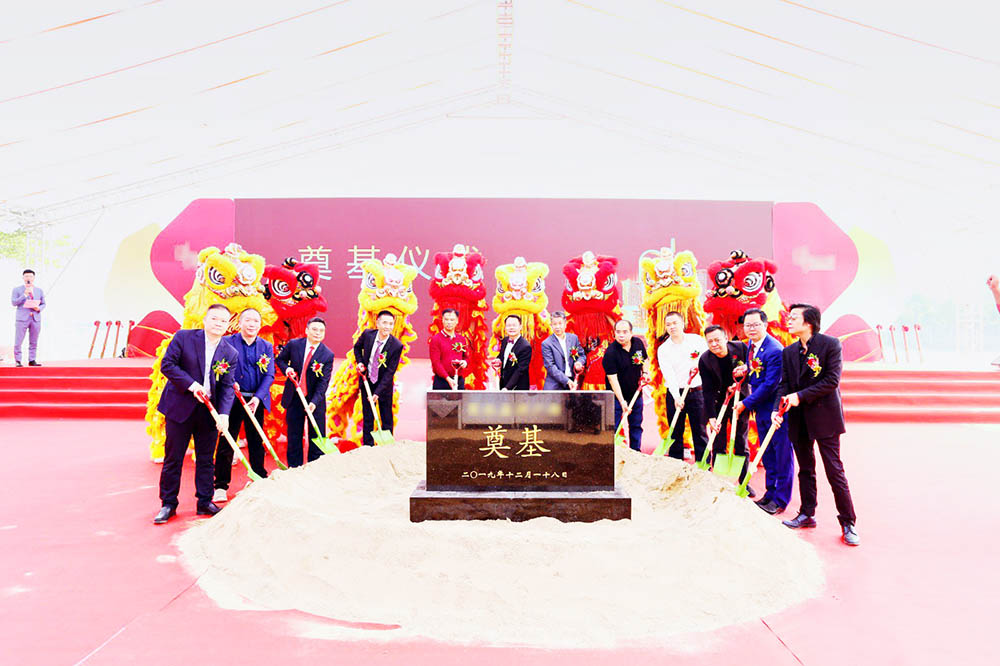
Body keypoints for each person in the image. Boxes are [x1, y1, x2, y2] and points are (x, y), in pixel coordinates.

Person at [773, 303, 859, 546]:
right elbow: (784, 384)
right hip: (798, 419)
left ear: (809, 322)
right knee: (806, 469)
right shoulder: (788, 352)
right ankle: (807, 513)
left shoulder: (830, 344)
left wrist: (800, 397)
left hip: (825, 416)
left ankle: (848, 522)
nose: (789, 320)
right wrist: (776, 410)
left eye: (794, 317)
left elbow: (831, 380)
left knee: (834, 470)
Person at [153, 304, 239, 524]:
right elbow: (168, 365)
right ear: (205, 320)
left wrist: (224, 415)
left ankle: (204, 501)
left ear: (228, 325)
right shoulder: (184, 338)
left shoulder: (230, 352)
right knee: (174, 458)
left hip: (208, 412)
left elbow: (227, 386)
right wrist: (191, 385)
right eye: (214, 319)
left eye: (223, 321)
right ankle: (168, 503)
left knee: (206, 459)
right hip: (180, 407)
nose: (218, 324)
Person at [734, 308, 794, 515]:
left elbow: (770, 385)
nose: (751, 329)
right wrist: (745, 371)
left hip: (775, 410)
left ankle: (781, 499)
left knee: (781, 455)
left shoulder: (774, 350)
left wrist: (745, 403)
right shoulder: (752, 345)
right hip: (761, 409)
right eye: (747, 325)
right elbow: (756, 371)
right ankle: (770, 493)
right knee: (767, 453)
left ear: (765, 325)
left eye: (756, 325)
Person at [213, 308, 275, 503]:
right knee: (227, 441)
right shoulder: (227, 342)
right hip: (231, 400)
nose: (252, 324)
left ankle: (258, 478)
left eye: (256, 321)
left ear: (260, 325)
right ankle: (220, 485)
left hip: (254, 401)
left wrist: (258, 398)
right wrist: (230, 383)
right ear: (239, 323)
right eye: (248, 320)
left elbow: (269, 375)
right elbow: (219, 367)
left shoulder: (266, 346)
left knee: (256, 441)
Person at [699, 325, 753, 496]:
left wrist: (740, 386)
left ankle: (743, 482)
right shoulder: (705, 360)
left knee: (741, 442)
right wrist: (711, 417)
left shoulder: (741, 348)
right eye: (710, 341)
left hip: (740, 401)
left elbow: (751, 371)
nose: (714, 344)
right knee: (718, 442)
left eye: (717, 340)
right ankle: (719, 481)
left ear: (726, 339)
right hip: (718, 403)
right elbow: (707, 390)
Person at [276, 317, 334, 466]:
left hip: (315, 400)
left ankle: (314, 467)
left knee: (317, 436)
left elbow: (323, 382)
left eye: (321, 330)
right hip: (295, 397)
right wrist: (287, 369)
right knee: (294, 436)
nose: (318, 333)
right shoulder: (294, 345)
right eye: (314, 329)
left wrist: (314, 402)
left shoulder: (327, 354)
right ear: (307, 330)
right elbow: (280, 360)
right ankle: (295, 469)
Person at [656, 311, 709, 461]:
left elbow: (707, 361)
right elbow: (669, 375)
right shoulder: (663, 349)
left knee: (700, 431)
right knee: (675, 432)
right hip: (675, 394)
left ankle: (703, 466)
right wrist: (676, 397)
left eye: (675, 323)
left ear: (683, 323)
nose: (672, 327)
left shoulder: (696, 340)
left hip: (697, 392)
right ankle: (676, 465)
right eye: (668, 324)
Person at [355, 310, 403, 445]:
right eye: (384, 323)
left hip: (384, 386)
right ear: (377, 323)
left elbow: (390, 372)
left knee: (386, 417)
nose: (387, 326)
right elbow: (357, 348)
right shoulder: (367, 335)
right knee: (368, 417)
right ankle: (368, 447)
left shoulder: (396, 345)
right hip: (367, 381)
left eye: (391, 324)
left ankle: (387, 447)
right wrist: (360, 362)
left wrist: (377, 392)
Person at [602, 319, 651, 452]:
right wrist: (622, 401)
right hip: (616, 398)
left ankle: (635, 452)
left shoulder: (638, 343)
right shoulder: (611, 353)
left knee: (636, 425)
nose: (621, 335)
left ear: (631, 333)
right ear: (614, 333)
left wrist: (645, 373)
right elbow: (613, 380)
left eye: (625, 332)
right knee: (614, 427)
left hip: (636, 393)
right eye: (618, 332)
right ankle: (614, 453)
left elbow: (645, 360)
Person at [541, 311, 585, 389]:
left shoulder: (573, 338)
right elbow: (550, 367)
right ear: (551, 325)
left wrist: (579, 362)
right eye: (554, 324)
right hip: (554, 385)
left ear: (565, 324)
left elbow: (582, 355)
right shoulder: (546, 343)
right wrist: (567, 381)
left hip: (573, 381)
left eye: (560, 323)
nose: (557, 327)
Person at [11, 269, 45, 367]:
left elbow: (43, 303)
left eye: (30, 276)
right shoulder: (17, 289)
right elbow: (14, 302)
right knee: (18, 341)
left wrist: (39, 308)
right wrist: (24, 295)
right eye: (26, 276)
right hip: (22, 318)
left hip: (35, 318)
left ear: (33, 278)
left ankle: (32, 360)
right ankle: (18, 360)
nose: (28, 278)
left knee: (34, 341)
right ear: (23, 278)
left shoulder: (39, 290)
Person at [429, 308, 468, 389]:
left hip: (458, 380)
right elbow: (436, 363)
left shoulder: (461, 339)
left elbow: (466, 357)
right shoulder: (436, 339)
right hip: (442, 381)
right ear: (442, 320)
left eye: (452, 320)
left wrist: (465, 362)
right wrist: (448, 378)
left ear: (457, 321)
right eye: (446, 319)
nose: (449, 322)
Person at [496, 314, 532, 391]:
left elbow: (520, 370)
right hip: (504, 383)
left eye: (514, 325)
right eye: (508, 325)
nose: (511, 328)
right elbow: (502, 356)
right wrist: (498, 360)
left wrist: (507, 388)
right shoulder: (505, 340)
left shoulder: (525, 346)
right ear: (505, 327)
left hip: (518, 387)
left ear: (520, 327)